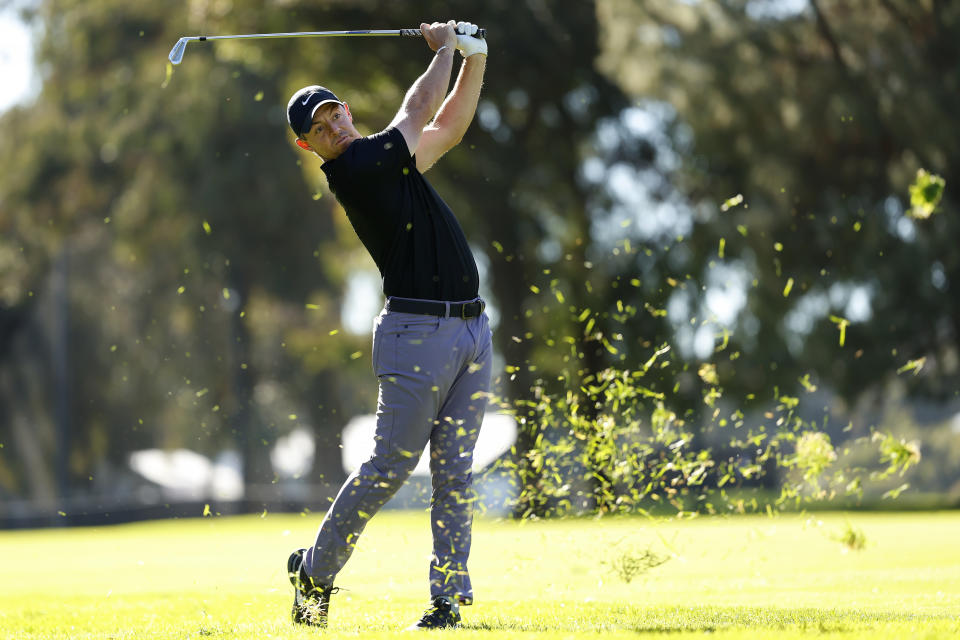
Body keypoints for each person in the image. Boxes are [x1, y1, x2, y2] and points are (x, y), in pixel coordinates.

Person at [283, 20, 490, 630]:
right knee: (388, 469)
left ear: (347, 111)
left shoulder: (388, 159)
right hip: (415, 335)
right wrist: (447, 46)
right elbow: (421, 104)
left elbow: (446, 128)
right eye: (317, 130)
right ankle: (315, 574)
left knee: (455, 472)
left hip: (472, 331)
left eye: (334, 116)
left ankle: (447, 601)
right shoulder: (357, 168)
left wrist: (475, 57)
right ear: (309, 147)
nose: (332, 130)